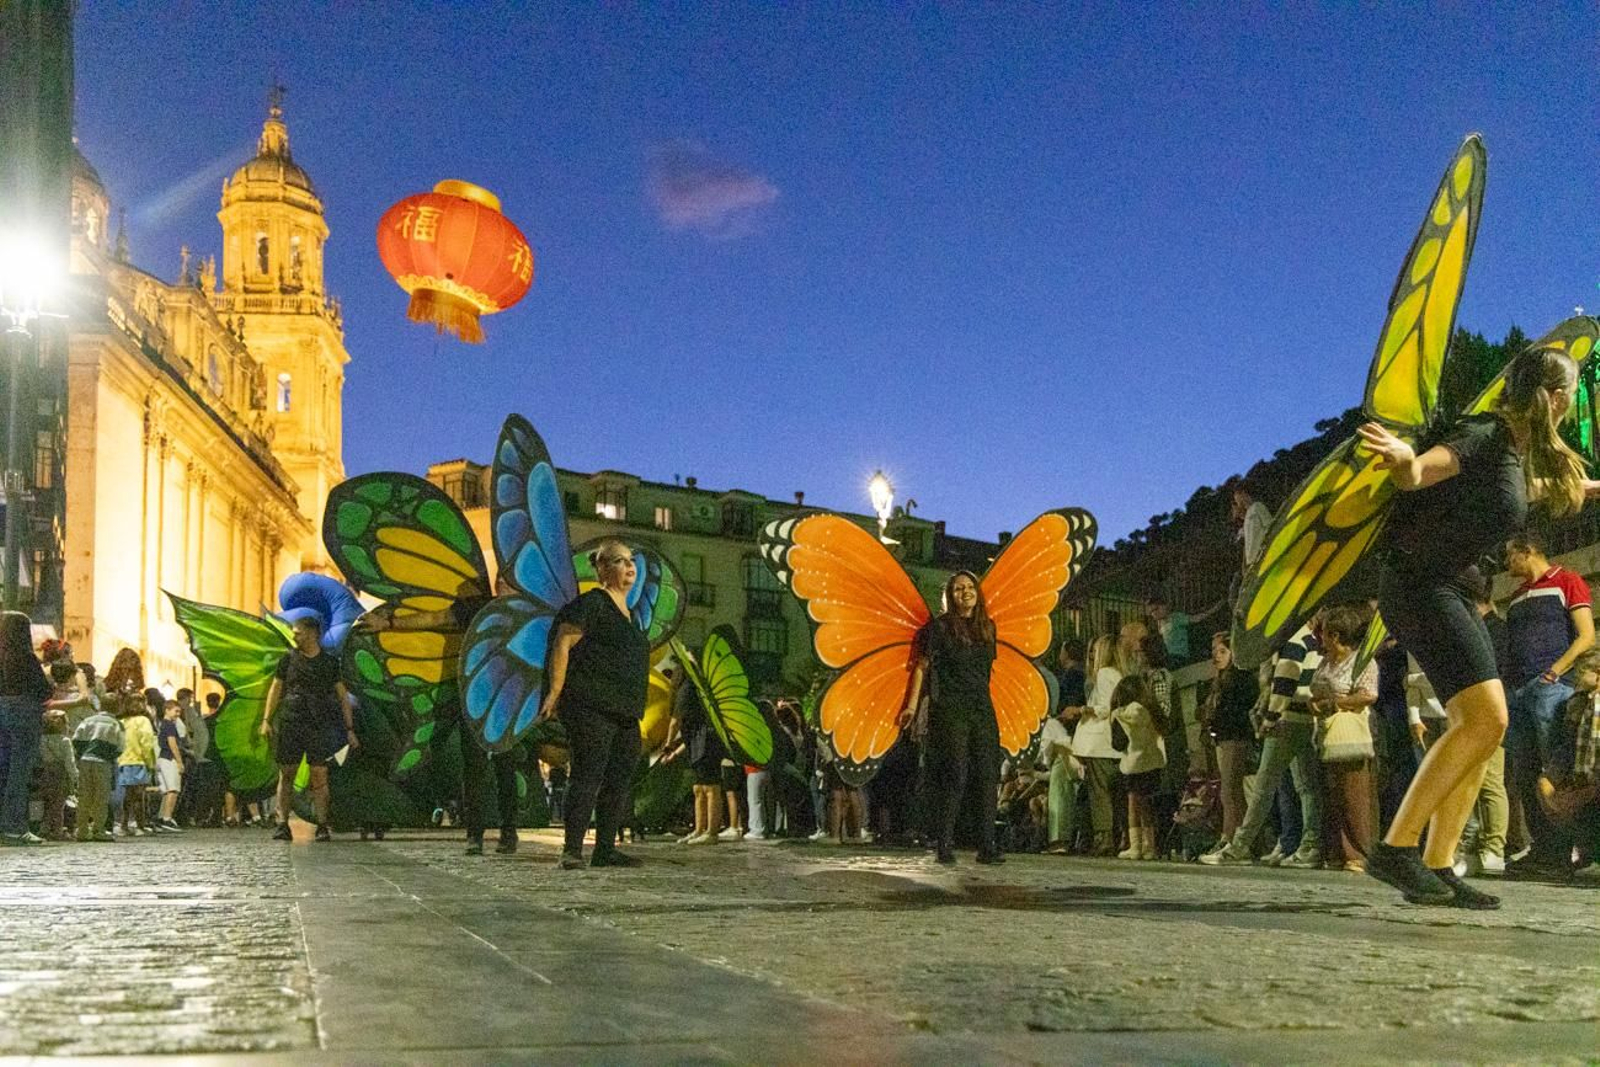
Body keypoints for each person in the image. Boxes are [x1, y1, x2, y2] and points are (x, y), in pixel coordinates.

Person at [1360, 344, 1592, 908]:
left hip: (1454, 588)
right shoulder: (1484, 435)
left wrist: (1586, 488)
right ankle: (1396, 848)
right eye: (1571, 395)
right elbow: (1420, 473)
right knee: (1488, 718)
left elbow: (1512, 493)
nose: (1572, 405)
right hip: (1420, 584)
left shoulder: (1509, 452)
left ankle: (1438, 863)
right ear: (1554, 398)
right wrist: (1403, 459)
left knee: (1480, 728)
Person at [356, 590, 518, 855]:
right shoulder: (477, 605)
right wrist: (388, 623)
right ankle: (475, 834)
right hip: (474, 697)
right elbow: (436, 618)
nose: (503, 582)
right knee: (475, 767)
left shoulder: (526, 609)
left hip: (509, 700)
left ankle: (508, 832)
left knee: (505, 767)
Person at [539, 539, 652, 869]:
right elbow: (563, 642)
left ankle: (604, 849)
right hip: (591, 704)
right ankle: (572, 850)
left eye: (631, 560)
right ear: (602, 568)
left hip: (625, 711)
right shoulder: (592, 603)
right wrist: (554, 691)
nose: (629, 566)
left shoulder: (631, 616)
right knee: (587, 775)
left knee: (619, 780)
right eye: (619, 561)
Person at [1501, 531, 1594, 878]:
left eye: (1510, 554)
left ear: (1527, 551)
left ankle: (1565, 850)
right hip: (1519, 691)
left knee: (1555, 771)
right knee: (1524, 771)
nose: (1506, 563)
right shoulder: (1516, 596)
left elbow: (1586, 636)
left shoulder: (1567, 581)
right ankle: (1544, 850)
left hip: (1551, 688)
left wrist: (1554, 672)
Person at [900, 570, 1004, 865]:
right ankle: (944, 843)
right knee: (955, 773)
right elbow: (922, 667)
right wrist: (911, 707)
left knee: (988, 773)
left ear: (977, 593)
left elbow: (988, 672)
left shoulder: (988, 627)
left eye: (970, 587)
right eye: (959, 588)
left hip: (981, 706)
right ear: (950, 595)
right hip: (950, 706)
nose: (965, 592)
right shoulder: (940, 628)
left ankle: (987, 845)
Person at [1201, 619, 1323, 866]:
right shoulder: (1311, 641)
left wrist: (1270, 717)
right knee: (1307, 787)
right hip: (1306, 719)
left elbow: (1285, 683)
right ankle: (1310, 845)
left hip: (1286, 720)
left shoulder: (1292, 641)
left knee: (1263, 787)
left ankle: (1240, 846)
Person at [260, 615, 357, 843]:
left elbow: (343, 696)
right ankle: (282, 823)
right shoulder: (287, 660)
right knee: (287, 774)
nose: (294, 636)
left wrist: (349, 727)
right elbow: (276, 689)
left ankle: (322, 825)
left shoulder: (329, 663)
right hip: (291, 721)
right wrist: (266, 719)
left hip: (318, 724)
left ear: (313, 634)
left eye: (298, 633)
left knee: (319, 775)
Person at [1309, 605, 1378, 872]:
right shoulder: (1326, 662)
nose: (1321, 638)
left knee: (1353, 795)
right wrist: (1316, 704)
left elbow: (1368, 694)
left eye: (1325, 633)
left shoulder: (1361, 661)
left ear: (1336, 636)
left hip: (1350, 733)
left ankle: (1358, 853)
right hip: (1326, 733)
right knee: (1331, 795)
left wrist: (1338, 702)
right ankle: (1335, 851)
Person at [1063, 635, 1123, 855]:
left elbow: (1104, 708)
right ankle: (1110, 836)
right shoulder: (1118, 674)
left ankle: (1104, 837)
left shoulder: (1105, 674)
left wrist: (1081, 710)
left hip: (1099, 742)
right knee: (1109, 793)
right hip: (1109, 743)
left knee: (1100, 793)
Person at [1202, 632, 1259, 843]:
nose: (1216, 656)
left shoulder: (1240, 679)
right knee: (1232, 791)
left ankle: (1229, 837)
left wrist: (1217, 718)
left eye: (1222, 651)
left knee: (1229, 791)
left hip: (1235, 737)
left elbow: (1237, 710)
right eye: (1214, 651)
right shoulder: (1219, 681)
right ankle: (1241, 838)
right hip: (1223, 739)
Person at [1110, 675, 1166, 860]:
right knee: (1147, 805)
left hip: (1133, 764)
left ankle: (1135, 846)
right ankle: (1150, 846)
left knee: (1133, 804)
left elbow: (1118, 744)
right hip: (1153, 761)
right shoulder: (1151, 710)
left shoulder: (1120, 715)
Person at [72, 697, 124, 841]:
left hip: (85, 760)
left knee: (84, 796)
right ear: (118, 707)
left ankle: (82, 830)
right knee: (101, 797)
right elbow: (120, 747)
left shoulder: (88, 720)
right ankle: (98, 829)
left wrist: (82, 753)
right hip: (103, 762)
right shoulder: (116, 723)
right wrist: (109, 756)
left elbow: (76, 739)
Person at [114, 689, 156, 837]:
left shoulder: (122, 721)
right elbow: (147, 743)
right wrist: (150, 763)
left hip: (123, 761)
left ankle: (124, 824)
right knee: (139, 796)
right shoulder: (143, 721)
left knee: (126, 797)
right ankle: (140, 826)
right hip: (138, 761)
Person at [38, 709, 77, 840]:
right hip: (61, 773)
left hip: (46, 772)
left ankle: (44, 828)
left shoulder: (42, 739)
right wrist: (74, 777)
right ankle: (57, 830)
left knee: (49, 803)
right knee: (59, 805)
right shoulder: (65, 741)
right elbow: (69, 762)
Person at [155, 699, 186, 833]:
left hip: (162, 758)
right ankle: (167, 818)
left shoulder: (162, 724)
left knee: (166, 791)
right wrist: (179, 761)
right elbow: (172, 743)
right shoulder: (170, 725)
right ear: (167, 710)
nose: (178, 714)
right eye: (176, 711)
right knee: (173, 790)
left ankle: (161, 817)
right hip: (169, 759)